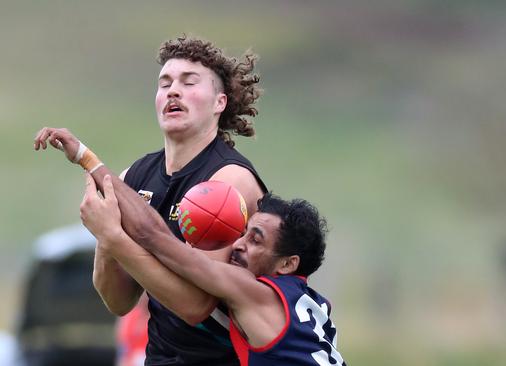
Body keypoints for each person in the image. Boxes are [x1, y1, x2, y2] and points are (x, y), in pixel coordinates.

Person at [34, 35, 266, 365]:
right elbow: (118, 301)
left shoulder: (229, 180)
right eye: (165, 83)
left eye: (189, 82)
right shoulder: (136, 176)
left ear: (220, 102)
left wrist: (115, 236)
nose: (173, 90)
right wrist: (106, 237)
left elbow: (196, 307)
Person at [81, 174, 346, 366]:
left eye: (255, 239)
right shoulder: (313, 303)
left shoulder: (254, 291)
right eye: (242, 233)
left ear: (288, 263)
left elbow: (154, 236)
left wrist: (89, 162)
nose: (237, 245)